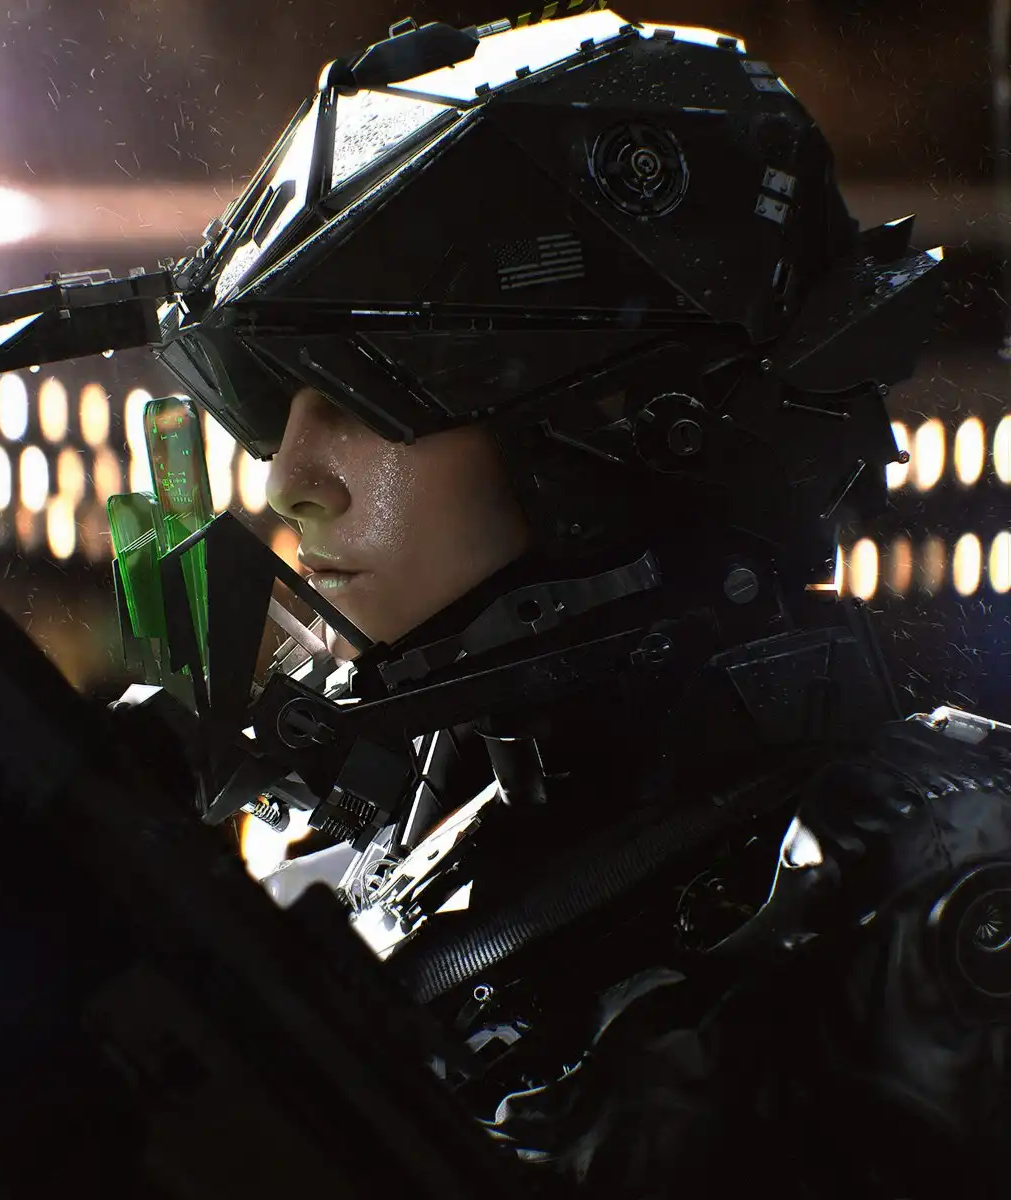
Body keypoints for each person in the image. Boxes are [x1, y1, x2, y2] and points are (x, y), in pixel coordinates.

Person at [165, 8, 1011, 1198]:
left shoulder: (930, 886)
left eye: (357, 397)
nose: (287, 481)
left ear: (609, 436)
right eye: (282, 408)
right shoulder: (413, 832)